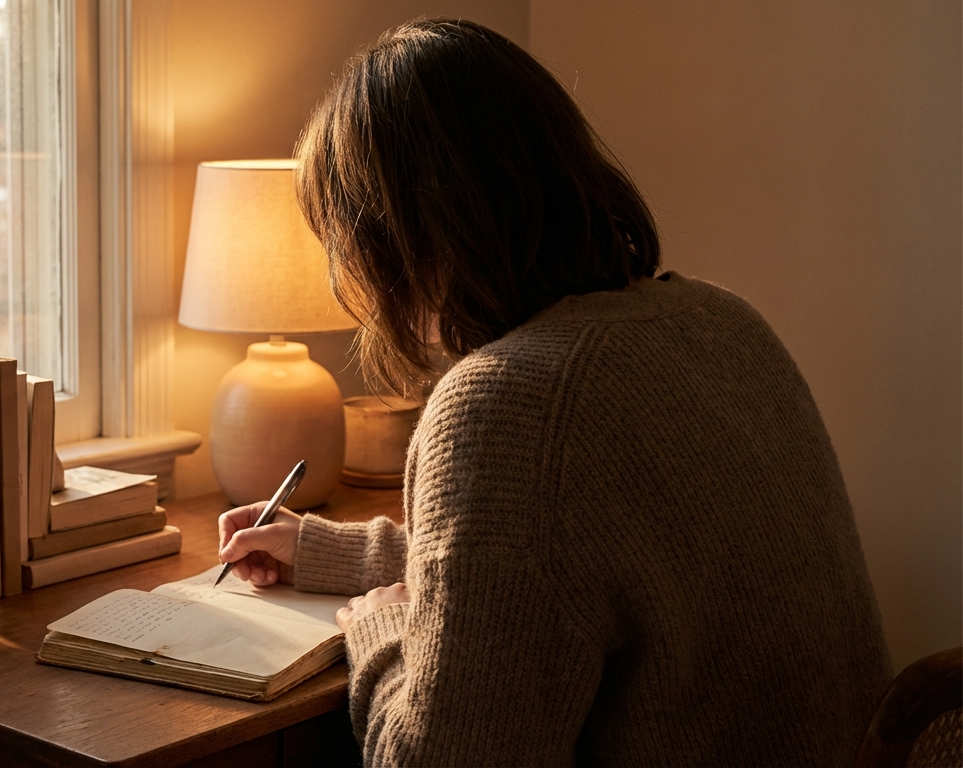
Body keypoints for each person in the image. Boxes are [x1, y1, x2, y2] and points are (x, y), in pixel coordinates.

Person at [216, 18, 891, 766]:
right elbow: (557, 568)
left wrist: (380, 631)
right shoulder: (721, 321)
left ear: (396, 239)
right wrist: (335, 555)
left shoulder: (506, 406)